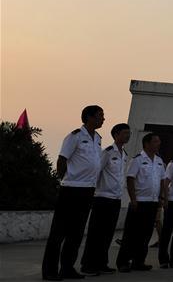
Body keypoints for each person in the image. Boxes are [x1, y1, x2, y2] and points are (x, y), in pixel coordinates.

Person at [42, 105, 104, 281]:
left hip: (87, 190)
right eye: (100, 115)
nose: (103, 119)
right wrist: (64, 180)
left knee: (76, 233)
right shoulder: (75, 136)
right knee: (58, 232)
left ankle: (67, 268)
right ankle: (49, 271)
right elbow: (62, 159)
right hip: (71, 189)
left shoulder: (97, 138)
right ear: (89, 117)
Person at [80, 122, 129, 276]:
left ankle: (102, 263)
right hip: (102, 198)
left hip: (116, 199)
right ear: (116, 135)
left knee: (108, 234)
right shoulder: (107, 152)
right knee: (96, 234)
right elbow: (96, 172)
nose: (128, 136)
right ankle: (87, 265)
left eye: (129, 133)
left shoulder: (124, 155)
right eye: (125, 133)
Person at [116, 132, 166, 273]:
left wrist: (161, 198)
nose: (158, 144)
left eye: (159, 141)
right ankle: (123, 262)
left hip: (152, 202)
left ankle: (139, 261)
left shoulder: (159, 161)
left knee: (146, 234)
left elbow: (162, 180)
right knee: (131, 234)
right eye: (155, 141)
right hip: (139, 202)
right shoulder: (137, 160)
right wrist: (133, 199)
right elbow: (130, 179)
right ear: (147, 144)